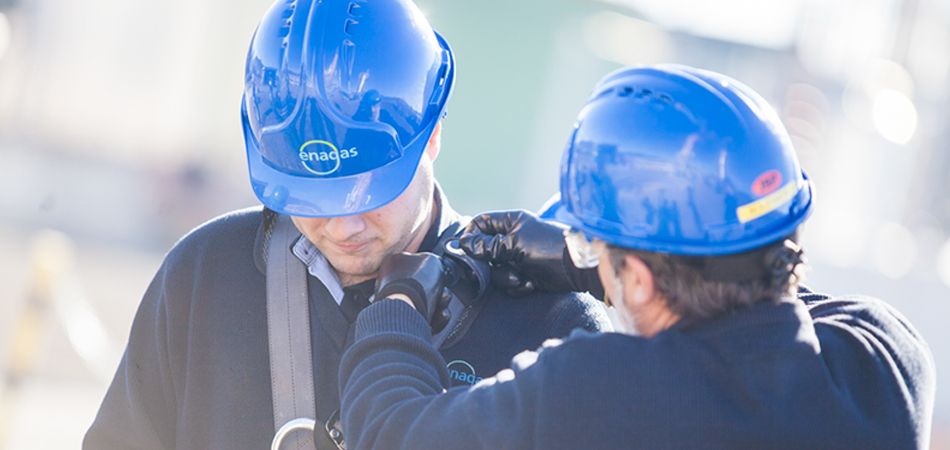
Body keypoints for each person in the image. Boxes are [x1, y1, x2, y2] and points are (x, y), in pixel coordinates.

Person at [82, 1, 611, 449]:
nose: (342, 225)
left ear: (430, 136)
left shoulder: (548, 328)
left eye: (370, 190)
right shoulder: (203, 277)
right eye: (310, 196)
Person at [338, 64, 937, 449]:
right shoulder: (889, 365)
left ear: (645, 283)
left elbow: (391, 432)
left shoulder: (603, 392)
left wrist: (398, 301)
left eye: (602, 250)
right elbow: (777, 304)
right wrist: (594, 263)